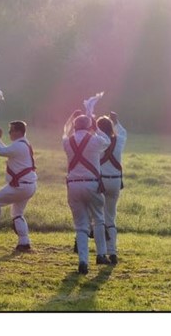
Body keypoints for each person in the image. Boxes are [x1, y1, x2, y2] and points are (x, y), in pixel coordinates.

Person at [62, 110, 112, 274]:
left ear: (75, 126)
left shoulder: (67, 142)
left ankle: (83, 261)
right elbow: (107, 140)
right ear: (89, 126)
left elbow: (65, 132)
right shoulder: (95, 140)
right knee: (98, 219)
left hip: (73, 185)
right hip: (92, 184)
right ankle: (101, 255)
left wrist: (72, 119)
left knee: (80, 226)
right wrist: (95, 125)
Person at [0, 120, 37, 253]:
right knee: (17, 213)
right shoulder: (22, 144)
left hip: (20, 186)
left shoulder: (19, 146)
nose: (9, 133)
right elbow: (7, 150)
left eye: (11, 131)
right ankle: (24, 242)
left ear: (18, 132)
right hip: (28, 186)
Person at [98, 112, 128, 265]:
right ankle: (113, 252)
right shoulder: (120, 140)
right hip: (115, 182)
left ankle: (102, 252)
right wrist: (116, 121)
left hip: (101, 182)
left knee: (98, 218)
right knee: (111, 218)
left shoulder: (97, 141)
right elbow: (123, 132)